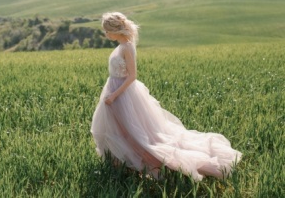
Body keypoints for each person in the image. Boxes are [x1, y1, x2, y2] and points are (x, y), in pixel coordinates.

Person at [91, 12, 242, 181]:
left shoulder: (127, 47)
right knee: (118, 129)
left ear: (115, 29)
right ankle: (120, 162)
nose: (105, 34)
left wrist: (114, 96)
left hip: (123, 95)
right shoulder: (120, 46)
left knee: (136, 131)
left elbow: (132, 76)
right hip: (114, 91)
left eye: (107, 30)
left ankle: (144, 160)